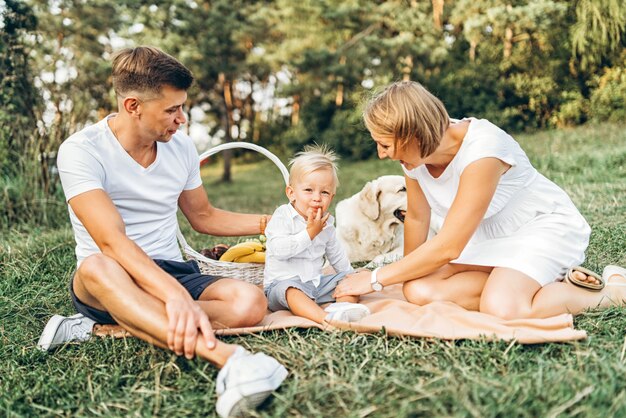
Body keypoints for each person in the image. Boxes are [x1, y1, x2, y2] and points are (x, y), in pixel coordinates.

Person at [36, 46, 287, 417]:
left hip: (172, 267)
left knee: (250, 303)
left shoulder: (181, 148)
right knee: (98, 265)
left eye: (182, 107)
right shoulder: (81, 151)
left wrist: (275, 222)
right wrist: (173, 297)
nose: (182, 119)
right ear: (133, 105)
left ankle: (99, 328)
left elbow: (203, 216)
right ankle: (232, 360)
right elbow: (111, 241)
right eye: (172, 110)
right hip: (109, 275)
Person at [334, 80, 626, 319]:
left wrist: (376, 278)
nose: (381, 154)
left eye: (385, 144)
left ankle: (611, 291)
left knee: (504, 308)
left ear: (412, 135)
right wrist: (402, 277)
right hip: (485, 240)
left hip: (540, 230)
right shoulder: (414, 158)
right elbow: (418, 218)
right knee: (418, 290)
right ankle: (533, 283)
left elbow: (449, 245)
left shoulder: (484, 150)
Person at [264, 145, 370, 324]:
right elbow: (279, 250)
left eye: (325, 192)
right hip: (281, 286)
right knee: (291, 291)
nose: (317, 198)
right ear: (291, 193)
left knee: (358, 278)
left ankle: (342, 309)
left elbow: (336, 254)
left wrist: (350, 277)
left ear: (332, 197)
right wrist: (309, 233)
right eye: (308, 190)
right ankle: (326, 319)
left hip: (315, 284)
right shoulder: (282, 216)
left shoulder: (327, 223)